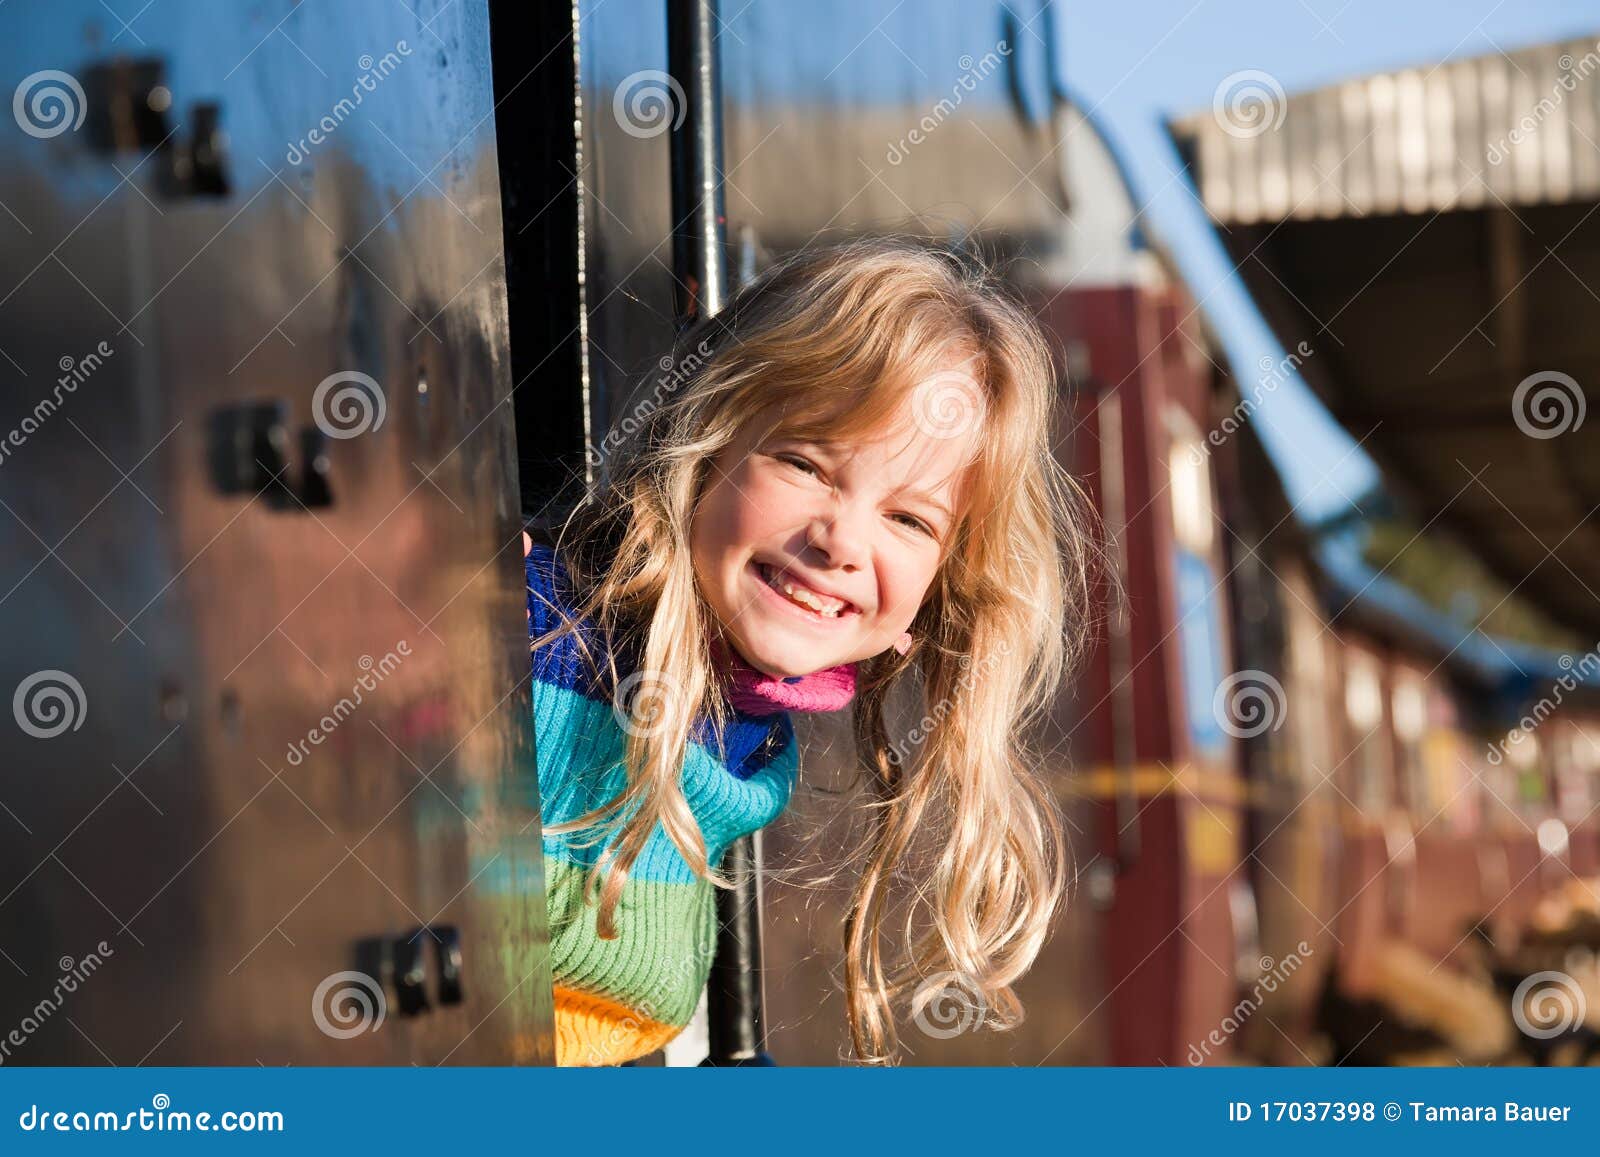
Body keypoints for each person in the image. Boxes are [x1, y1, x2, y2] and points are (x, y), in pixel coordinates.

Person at [523, 235, 1100, 1065]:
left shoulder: (748, 734)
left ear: (941, 582)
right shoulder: (546, 638)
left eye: (909, 519)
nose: (841, 540)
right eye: (803, 462)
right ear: (704, 444)